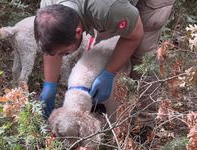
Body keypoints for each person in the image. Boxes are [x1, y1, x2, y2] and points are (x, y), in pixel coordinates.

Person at [34, 0, 175, 118]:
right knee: (104, 48)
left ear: (78, 32)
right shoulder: (49, 9)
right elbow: (53, 47)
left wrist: (109, 73)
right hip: (112, 9)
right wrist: (49, 85)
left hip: (148, 4)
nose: (62, 55)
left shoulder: (106, 9)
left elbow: (135, 34)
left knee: (143, 58)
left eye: (65, 52)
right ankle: (105, 108)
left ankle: (144, 123)